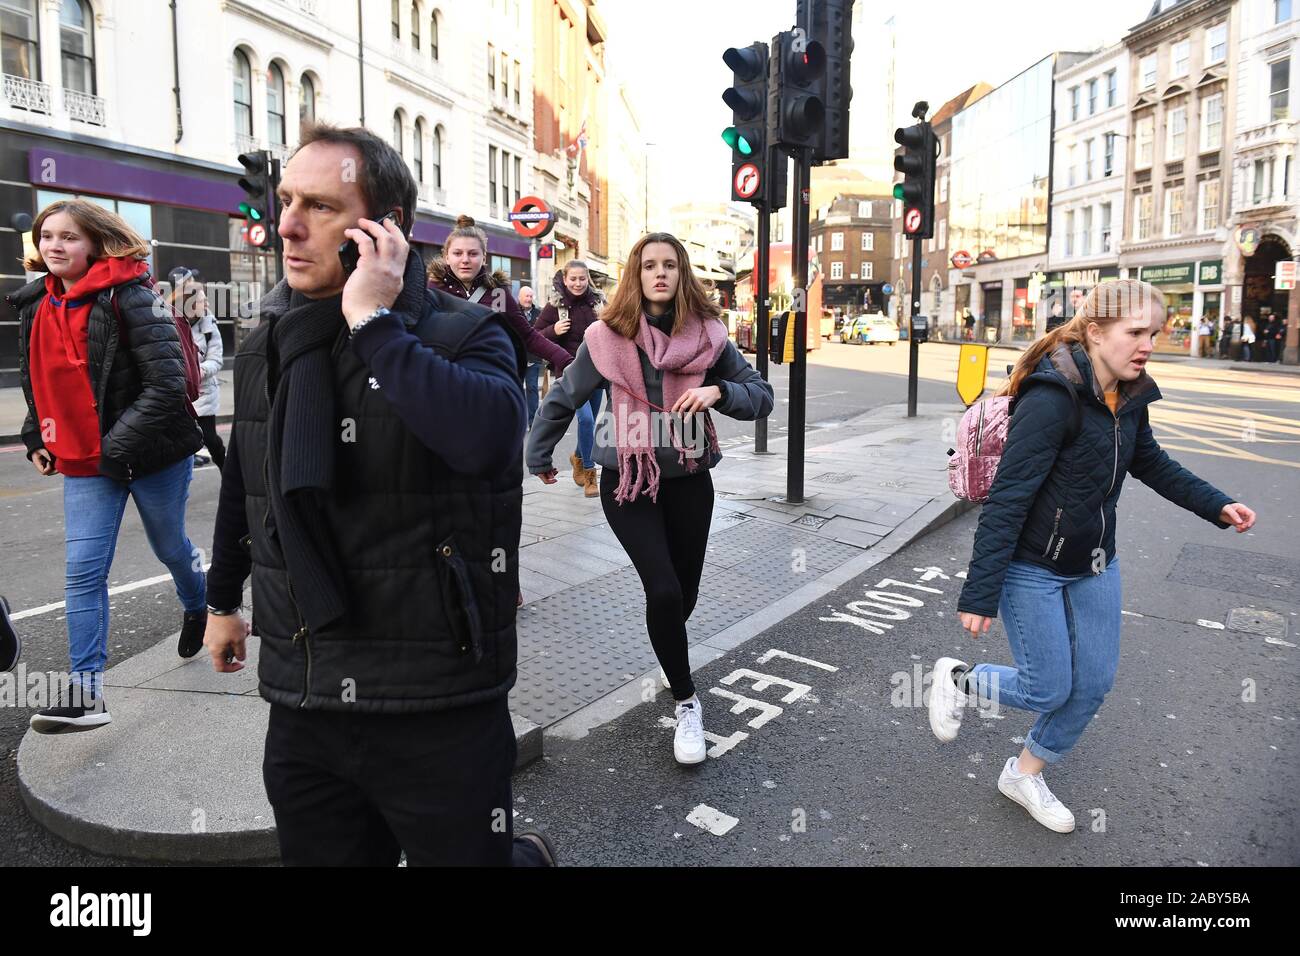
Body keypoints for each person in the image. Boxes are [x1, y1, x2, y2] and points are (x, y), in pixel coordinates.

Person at [201, 122, 554, 867]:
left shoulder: (467, 333)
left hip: (437, 698)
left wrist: (373, 324)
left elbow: (489, 443)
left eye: (321, 207)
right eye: (287, 200)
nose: (287, 225)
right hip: (305, 695)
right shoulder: (270, 342)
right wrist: (222, 601)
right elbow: (248, 479)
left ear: (383, 229)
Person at [930, 279, 1256, 833]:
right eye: (1136, 332)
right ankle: (959, 678)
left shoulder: (1129, 396)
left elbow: (1150, 462)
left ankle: (1024, 774)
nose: (1148, 345)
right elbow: (1009, 499)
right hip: (1032, 565)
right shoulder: (1051, 398)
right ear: (1097, 332)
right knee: (1046, 687)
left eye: (1154, 333)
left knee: (1093, 684)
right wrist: (980, 592)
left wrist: (1217, 505)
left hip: (1096, 561)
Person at [526, 232, 774, 766]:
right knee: (662, 589)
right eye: (648, 265)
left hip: (689, 480)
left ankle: (669, 652)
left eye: (669, 265)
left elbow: (761, 397)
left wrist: (719, 391)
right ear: (635, 277)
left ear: (682, 274)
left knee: (683, 594)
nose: (659, 273)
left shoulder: (709, 337)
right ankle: (687, 702)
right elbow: (565, 394)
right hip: (628, 481)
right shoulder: (606, 337)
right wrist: (538, 451)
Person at [10, 199, 207, 732]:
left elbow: (168, 384)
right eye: (47, 236)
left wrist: (114, 447)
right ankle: (87, 694)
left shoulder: (132, 294)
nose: (54, 245)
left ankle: (200, 604)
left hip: (151, 453)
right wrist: (36, 435)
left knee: (170, 547)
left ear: (96, 242)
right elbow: (39, 378)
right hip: (83, 461)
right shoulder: (35, 303)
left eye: (69, 236)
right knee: (83, 572)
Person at [427, 216, 572, 383]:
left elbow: (528, 336)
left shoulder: (498, 293)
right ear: (447, 257)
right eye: (457, 253)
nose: (465, 260)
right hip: (444, 383)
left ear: (484, 257)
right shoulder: (432, 290)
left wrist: (567, 361)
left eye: (473, 254)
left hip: (490, 384)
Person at [534, 260, 606, 497]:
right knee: (585, 420)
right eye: (573, 279)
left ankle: (577, 456)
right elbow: (535, 337)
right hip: (570, 373)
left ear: (588, 279)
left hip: (597, 372)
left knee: (591, 423)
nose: (577, 283)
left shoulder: (598, 303)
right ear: (565, 280)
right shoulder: (555, 306)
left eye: (582, 278)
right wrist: (553, 331)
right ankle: (590, 474)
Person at [167, 267, 225, 469]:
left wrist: (199, 372)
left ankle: (227, 471)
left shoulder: (209, 324)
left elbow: (216, 359)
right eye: (202, 301)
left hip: (203, 392)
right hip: (179, 393)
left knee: (210, 439)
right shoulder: (171, 321)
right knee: (181, 442)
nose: (207, 304)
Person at [518, 285, 543, 428]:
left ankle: (532, 421)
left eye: (530, 296)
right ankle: (518, 418)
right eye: (526, 296)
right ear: (519, 297)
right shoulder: (513, 312)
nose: (528, 299)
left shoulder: (539, 314)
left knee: (532, 388)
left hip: (534, 358)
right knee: (516, 388)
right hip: (517, 358)